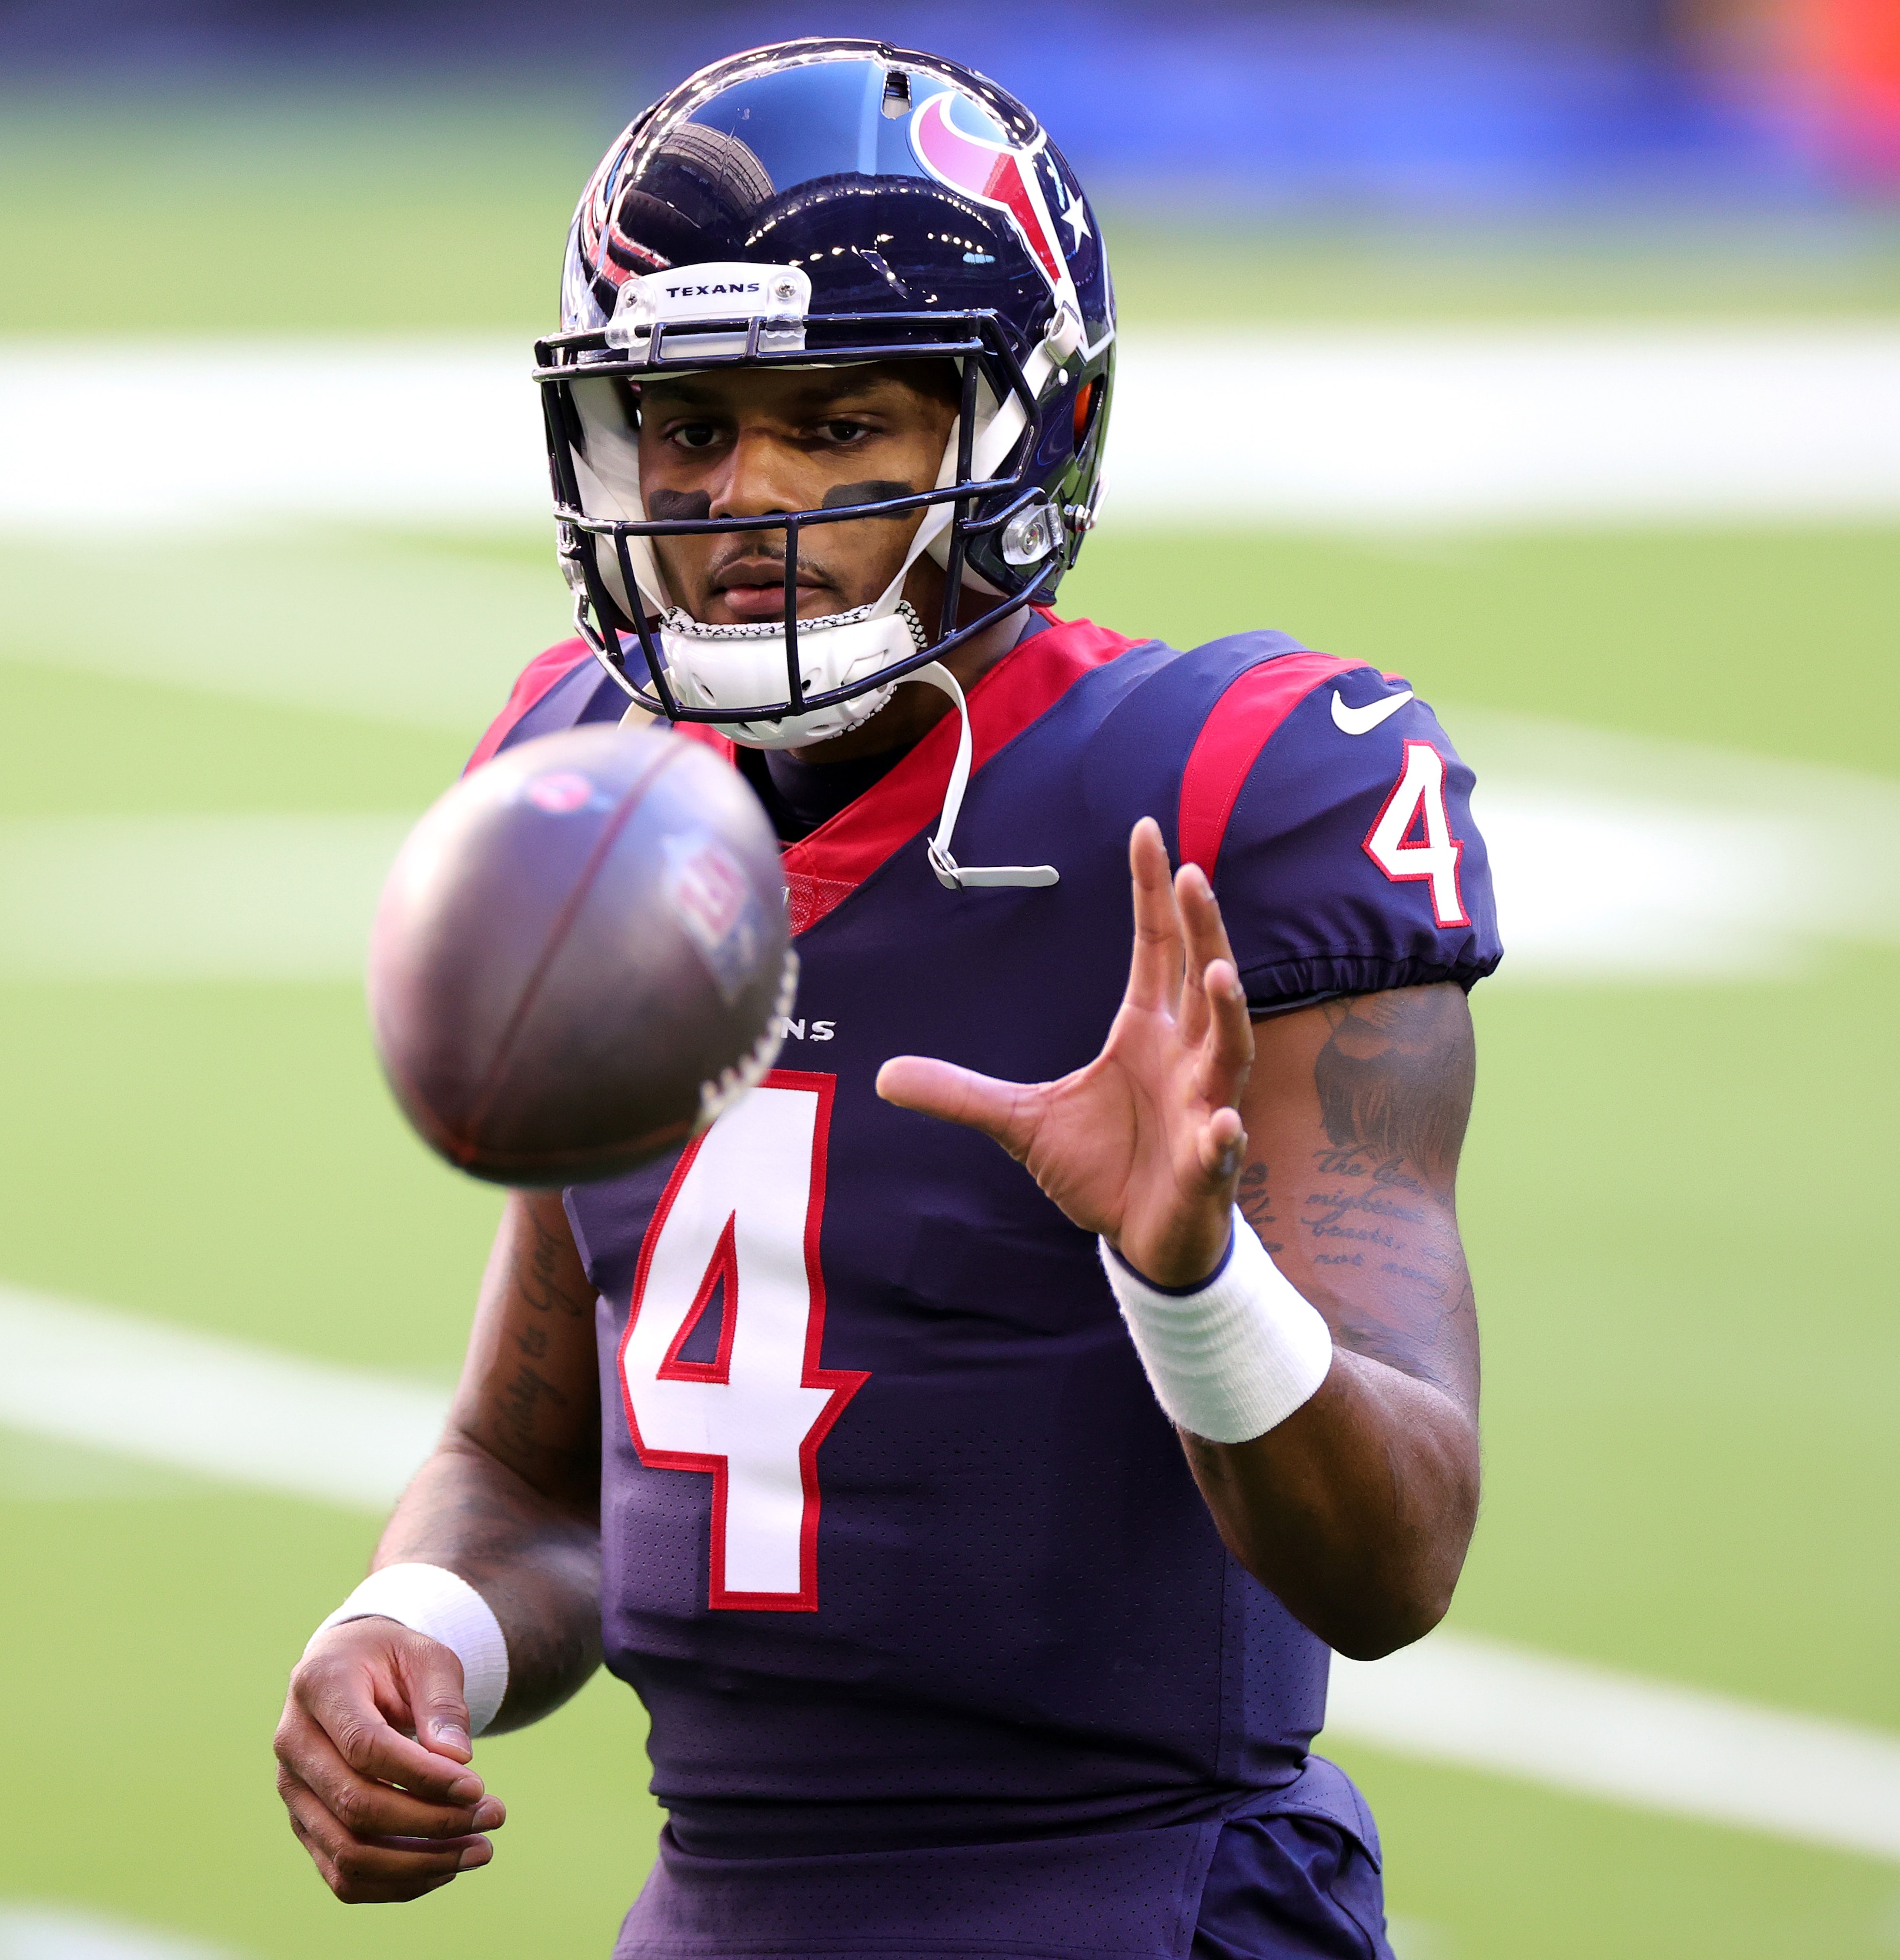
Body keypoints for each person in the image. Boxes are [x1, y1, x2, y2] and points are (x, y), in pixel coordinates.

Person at [275, 39, 1499, 1958]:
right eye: (685, 429)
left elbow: (1404, 1550)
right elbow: (532, 1472)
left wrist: (1192, 1280)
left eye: (838, 426)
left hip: (1128, 1904)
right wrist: (406, 1630)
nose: (740, 499)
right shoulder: (586, 783)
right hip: (718, 1914)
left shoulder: (1228, 795)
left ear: (1019, 430)